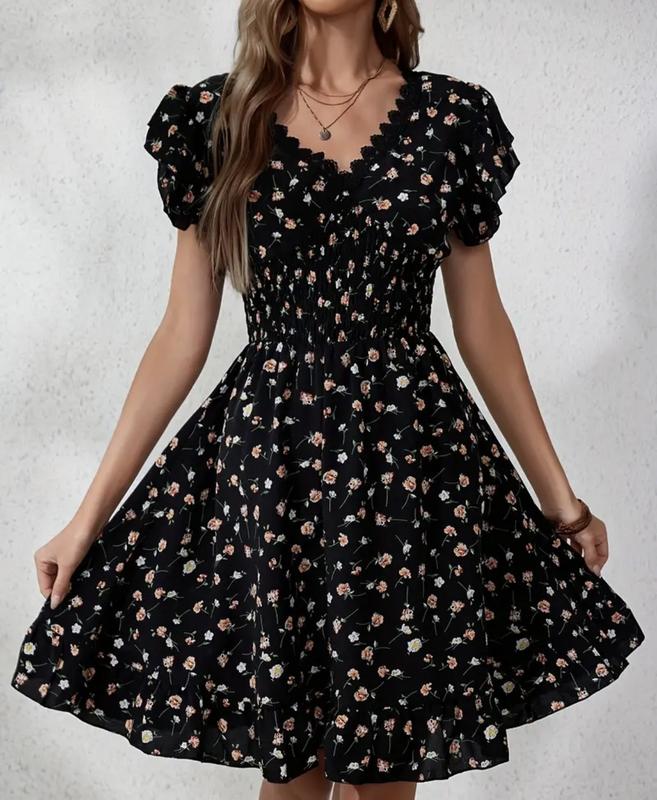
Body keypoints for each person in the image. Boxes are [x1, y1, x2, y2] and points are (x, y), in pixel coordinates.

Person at [10, 2, 645, 799]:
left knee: (389, 772)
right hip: (274, 472)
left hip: (412, 470)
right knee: (294, 774)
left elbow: (482, 326)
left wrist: (562, 505)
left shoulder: (451, 118)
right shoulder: (216, 119)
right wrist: (87, 518)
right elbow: (180, 334)